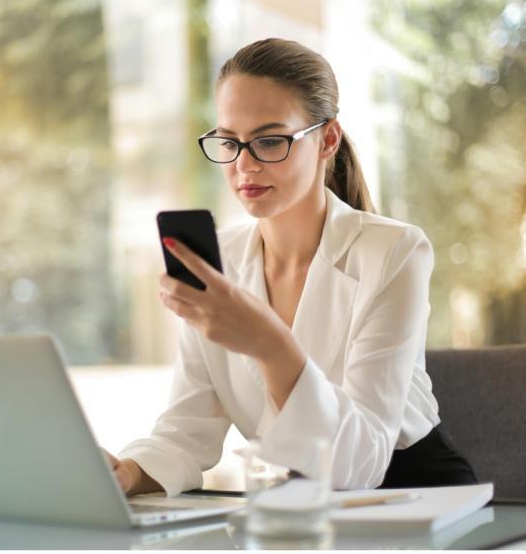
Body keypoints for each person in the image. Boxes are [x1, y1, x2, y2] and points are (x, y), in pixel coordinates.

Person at [103, 38, 477, 497]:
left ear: (328, 139)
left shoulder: (395, 251)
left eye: (269, 140)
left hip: (411, 498)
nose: (244, 164)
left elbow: (359, 465)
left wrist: (270, 345)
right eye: (229, 141)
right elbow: (187, 428)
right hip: (293, 505)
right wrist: (128, 473)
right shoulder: (217, 264)